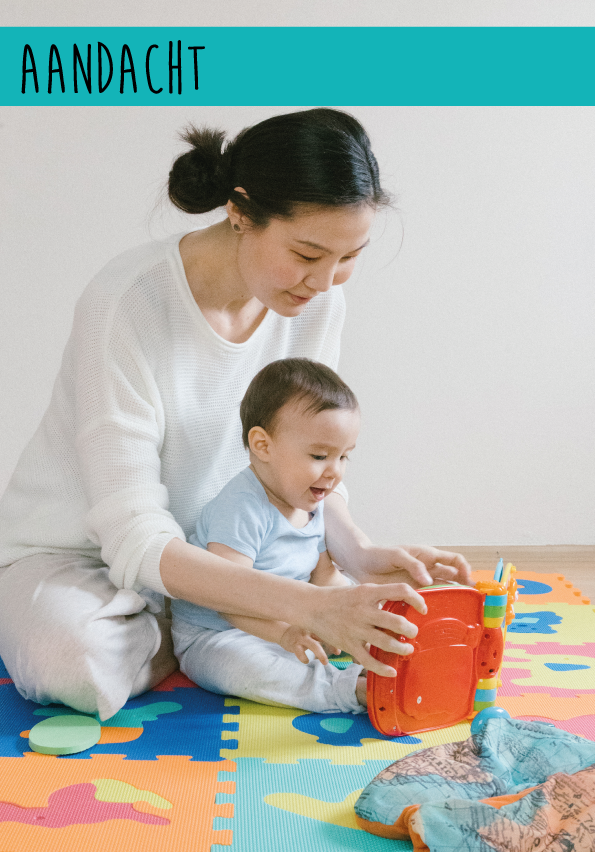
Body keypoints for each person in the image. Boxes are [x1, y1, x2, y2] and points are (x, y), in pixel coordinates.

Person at [0, 108, 472, 723]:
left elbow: (310, 443)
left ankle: (209, 622)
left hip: (230, 551)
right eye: (306, 253)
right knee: (74, 664)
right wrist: (309, 606)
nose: (324, 282)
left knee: (335, 613)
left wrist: (355, 550)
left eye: (348, 256)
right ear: (240, 211)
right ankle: (198, 628)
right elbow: (133, 534)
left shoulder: (315, 303)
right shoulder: (126, 303)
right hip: (81, 556)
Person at [171, 357, 419, 713]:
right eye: (320, 455)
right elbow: (228, 600)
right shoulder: (241, 508)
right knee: (252, 669)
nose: (335, 472)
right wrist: (283, 633)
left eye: (344, 457)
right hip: (220, 633)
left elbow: (325, 577)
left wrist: (363, 614)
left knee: (361, 623)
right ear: (263, 445)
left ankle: (381, 665)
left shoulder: (310, 501)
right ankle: (346, 691)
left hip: (293, 621)